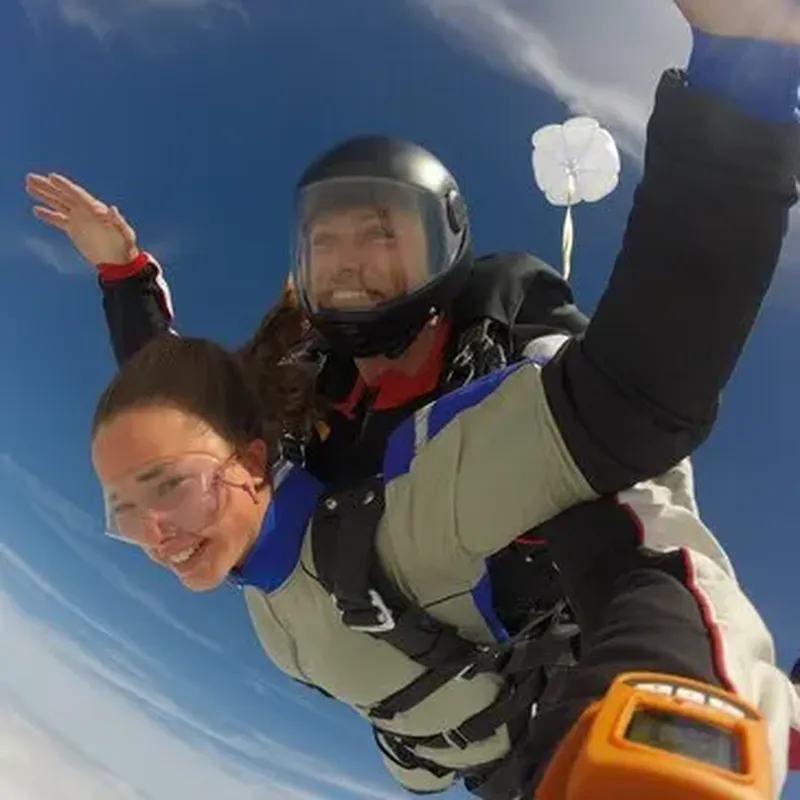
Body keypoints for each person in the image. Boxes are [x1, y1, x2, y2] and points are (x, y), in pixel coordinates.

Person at [34, 2, 797, 796]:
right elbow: (180, 430)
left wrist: (740, 72)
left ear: (445, 246)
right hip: (445, 739)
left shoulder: (503, 362)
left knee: (606, 502)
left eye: (380, 234)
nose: (348, 261)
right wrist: (124, 273)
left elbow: (631, 409)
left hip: (558, 693)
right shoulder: (303, 397)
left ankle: (714, 711)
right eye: (324, 242)